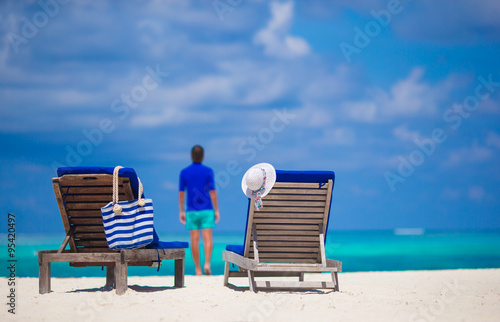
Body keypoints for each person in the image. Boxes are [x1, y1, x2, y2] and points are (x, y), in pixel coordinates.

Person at [179, 145, 220, 275]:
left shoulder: (184, 172)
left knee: (194, 239)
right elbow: (213, 192)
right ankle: (207, 263)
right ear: (203, 156)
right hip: (207, 209)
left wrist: (181, 210)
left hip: (191, 210)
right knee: (208, 238)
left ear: (192, 156)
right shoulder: (208, 171)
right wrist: (216, 209)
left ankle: (197, 268)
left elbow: (181, 193)